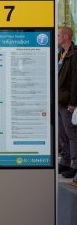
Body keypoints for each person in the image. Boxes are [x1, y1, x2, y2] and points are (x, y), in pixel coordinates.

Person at [57, 27, 77, 178]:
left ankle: (75, 165)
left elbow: (75, 81)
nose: (56, 37)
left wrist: (73, 102)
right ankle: (65, 161)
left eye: (58, 34)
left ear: (65, 36)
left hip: (68, 102)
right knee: (62, 134)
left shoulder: (74, 54)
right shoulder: (61, 53)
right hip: (59, 100)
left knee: (71, 134)